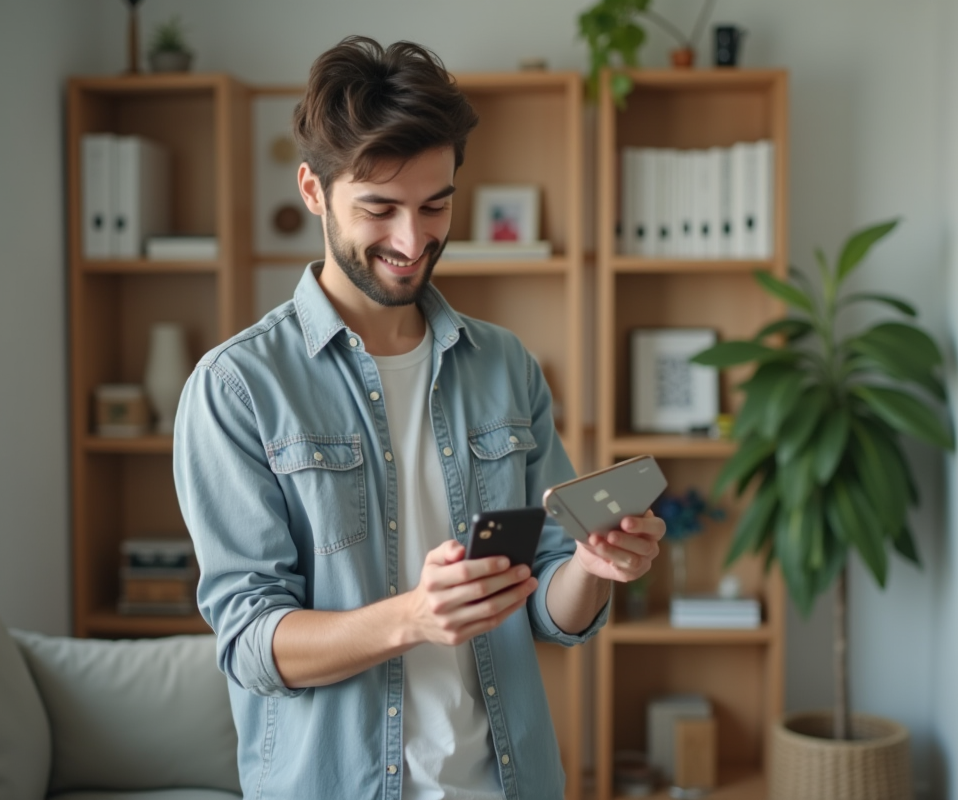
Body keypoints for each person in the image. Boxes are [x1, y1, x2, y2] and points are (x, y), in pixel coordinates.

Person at [173, 35, 665, 800]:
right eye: (380, 208)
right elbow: (251, 643)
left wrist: (595, 571)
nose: (412, 240)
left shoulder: (504, 365)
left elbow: (552, 610)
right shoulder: (238, 388)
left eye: (436, 205)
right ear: (313, 190)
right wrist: (412, 617)